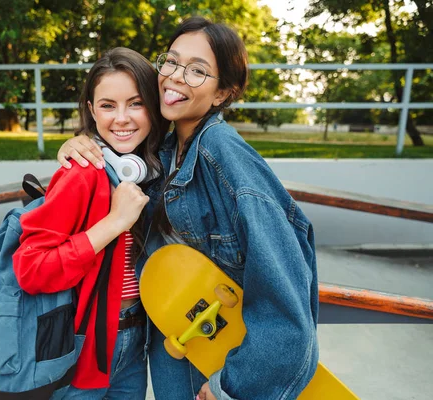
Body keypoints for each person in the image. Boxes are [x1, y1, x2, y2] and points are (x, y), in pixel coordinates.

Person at [56, 16, 319, 400]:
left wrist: (235, 386)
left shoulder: (224, 155)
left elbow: (285, 295)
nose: (176, 76)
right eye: (172, 61)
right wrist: (77, 144)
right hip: (175, 349)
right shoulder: (164, 150)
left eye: (197, 70)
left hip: (217, 364)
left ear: (222, 93)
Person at [12, 47, 168, 399]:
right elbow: (32, 268)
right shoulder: (83, 172)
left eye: (136, 103)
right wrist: (114, 223)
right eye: (108, 105)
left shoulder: (155, 169)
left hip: (136, 341)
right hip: (83, 349)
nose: (122, 118)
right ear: (91, 110)